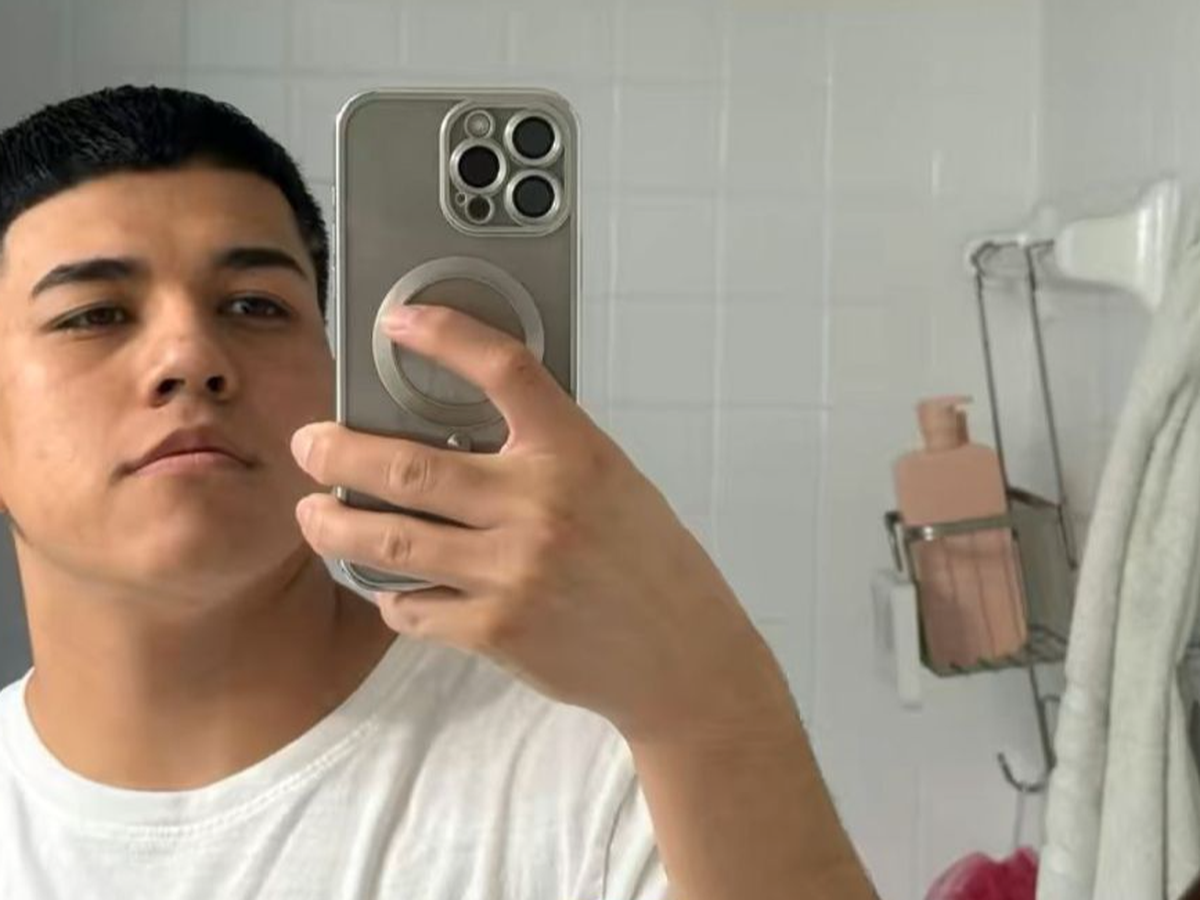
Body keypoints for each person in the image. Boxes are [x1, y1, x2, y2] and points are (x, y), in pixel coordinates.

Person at [0, 85, 875, 900]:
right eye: (93, 315)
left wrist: (710, 691)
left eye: (256, 305)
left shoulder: (621, 777)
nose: (191, 357)